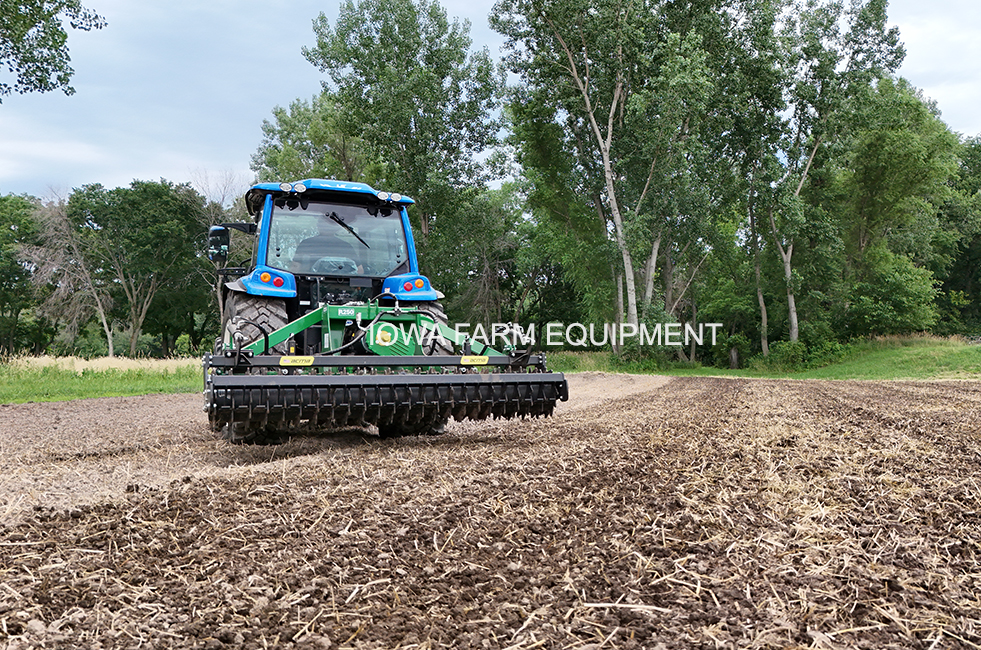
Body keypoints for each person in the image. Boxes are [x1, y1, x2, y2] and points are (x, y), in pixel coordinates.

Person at [290, 214, 363, 274]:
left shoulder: (306, 244)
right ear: (336, 227)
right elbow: (360, 270)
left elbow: (295, 268)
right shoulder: (346, 246)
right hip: (343, 287)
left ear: (318, 225)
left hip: (310, 286)